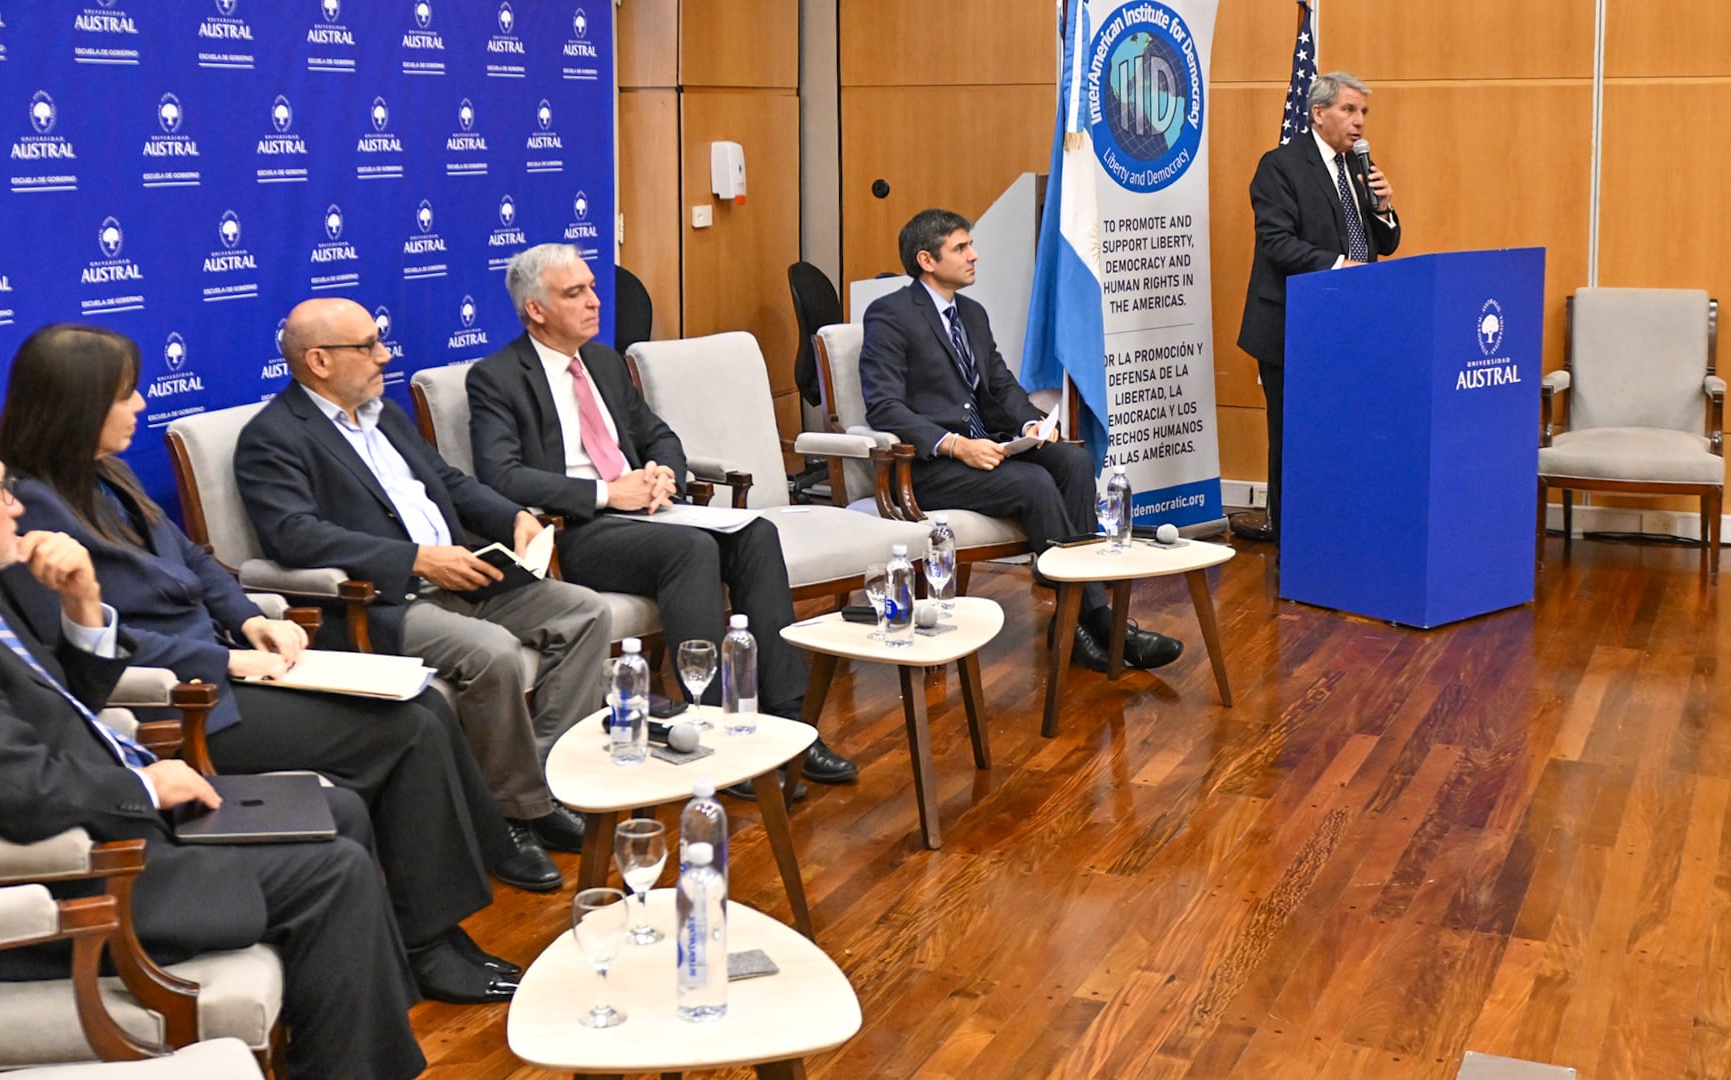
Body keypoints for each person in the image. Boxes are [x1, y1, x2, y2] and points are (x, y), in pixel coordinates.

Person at [0, 414, 425, 1080]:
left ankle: (358, 1045)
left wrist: (83, 601)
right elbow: (15, 791)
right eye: (1, 490)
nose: (17, 506)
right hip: (51, 884)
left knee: (337, 812)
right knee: (331, 873)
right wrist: (145, 788)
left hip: (94, 835)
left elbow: (58, 704)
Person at [0, 323, 550, 1004]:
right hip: (183, 700)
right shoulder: (30, 509)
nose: (139, 408)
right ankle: (431, 945)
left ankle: (441, 930)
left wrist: (250, 616)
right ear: (74, 405)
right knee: (405, 731)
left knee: (426, 705)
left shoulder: (103, 471)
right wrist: (224, 659)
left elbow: (195, 559)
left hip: (227, 660)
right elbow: (90, 646)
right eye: (125, 395)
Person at [465, 243, 857, 786]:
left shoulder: (602, 362)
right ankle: (717, 731)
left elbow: (657, 434)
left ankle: (788, 727)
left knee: (755, 534)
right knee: (692, 549)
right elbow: (502, 476)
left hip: (648, 513)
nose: (594, 302)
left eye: (592, 288)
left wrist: (661, 473)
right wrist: (607, 493)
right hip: (578, 529)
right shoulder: (497, 377)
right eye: (575, 293)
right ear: (535, 309)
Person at [235, 297, 610, 853]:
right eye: (367, 347)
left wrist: (514, 516)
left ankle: (545, 785)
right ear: (318, 361)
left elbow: (448, 482)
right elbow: (294, 535)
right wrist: (416, 558)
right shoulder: (273, 437)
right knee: (494, 651)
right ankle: (506, 821)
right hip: (388, 600)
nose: (384, 356)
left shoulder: (384, 415)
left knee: (587, 612)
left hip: (466, 573)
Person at [860, 208, 1183, 671]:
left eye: (970, 244)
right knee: (1033, 484)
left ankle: (1074, 623)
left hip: (988, 448)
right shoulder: (889, 315)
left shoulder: (971, 313)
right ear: (926, 260)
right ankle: (1096, 620)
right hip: (930, 468)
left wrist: (1031, 425)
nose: (975, 255)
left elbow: (1002, 384)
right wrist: (954, 444)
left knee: (1072, 462)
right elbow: (884, 407)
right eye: (961, 247)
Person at [1236, 71, 1402, 544]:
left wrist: (1385, 209)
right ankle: (1292, 541)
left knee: (1344, 436)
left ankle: (1340, 532)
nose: (1359, 122)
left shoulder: (1358, 167)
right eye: (1350, 110)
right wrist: (1338, 265)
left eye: (1364, 112)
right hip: (1292, 325)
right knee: (1293, 439)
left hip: (1350, 327)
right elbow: (1275, 243)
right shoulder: (1280, 166)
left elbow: (1384, 244)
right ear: (1318, 113)